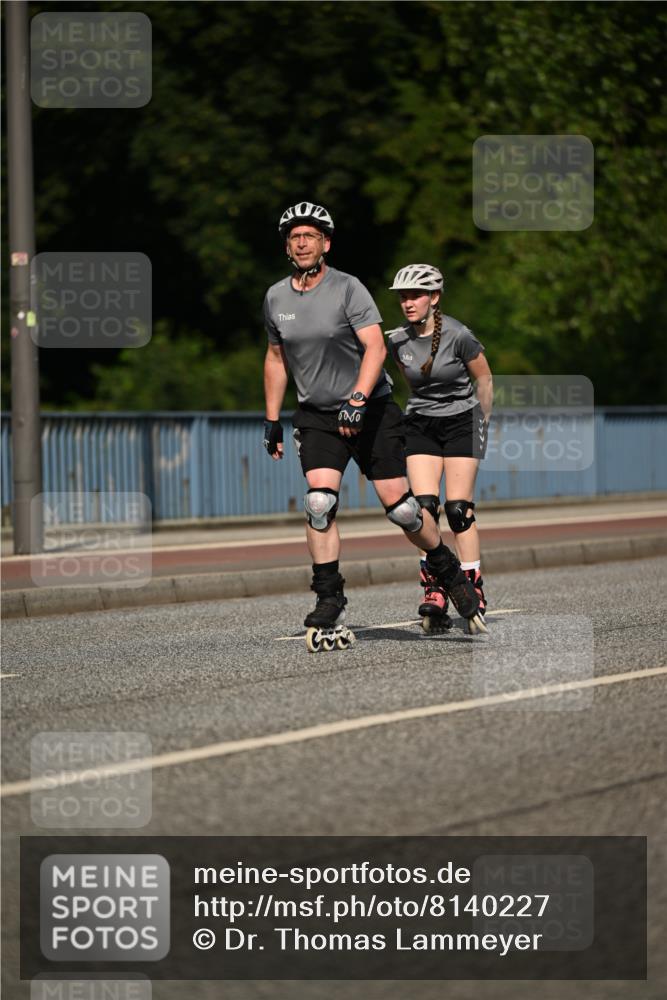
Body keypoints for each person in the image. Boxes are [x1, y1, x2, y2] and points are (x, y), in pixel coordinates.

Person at [262, 202, 486, 642]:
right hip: (318, 415)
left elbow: (375, 348)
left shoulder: (349, 289)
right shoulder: (275, 297)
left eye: (310, 235)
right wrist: (271, 419)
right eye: (294, 236)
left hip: (372, 410)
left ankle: (447, 569)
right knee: (319, 503)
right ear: (287, 246)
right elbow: (275, 358)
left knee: (402, 509)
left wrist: (358, 399)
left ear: (326, 243)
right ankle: (329, 596)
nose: (302, 242)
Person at [387, 264, 493, 628]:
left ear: (434, 298)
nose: (407, 303)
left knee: (458, 509)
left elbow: (485, 379)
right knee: (423, 509)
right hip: (421, 424)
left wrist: (482, 424)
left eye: (415, 295)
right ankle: (433, 585)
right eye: (402, 297)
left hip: (464, 421)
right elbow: (411, 384)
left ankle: (472, 584)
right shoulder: (397, 340)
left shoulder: (459, 334)